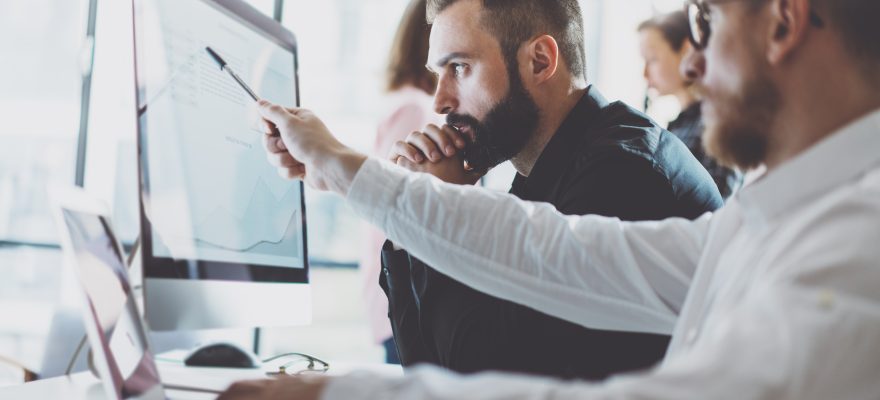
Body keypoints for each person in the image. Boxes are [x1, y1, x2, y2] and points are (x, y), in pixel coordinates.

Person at [219, 0, 880, 398]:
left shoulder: (855, 248)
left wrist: (339, 395)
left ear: (784, 22)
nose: (690, 66)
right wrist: (344, 169)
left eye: (705, 21)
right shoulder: (767, 218)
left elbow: (487, 365)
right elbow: (555, 252)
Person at [376, 0, 721, 380]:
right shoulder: (542, 173)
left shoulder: (622, 174)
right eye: (439, 73)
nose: (440, 101)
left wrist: (440, 210)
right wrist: (407, 226)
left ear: (540, 61)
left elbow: (487, 380)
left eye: (460, 67)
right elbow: (426, 372)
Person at [359, 0, 439, 365]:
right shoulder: (418, 110)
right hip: (410, 297)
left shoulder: (404, 103)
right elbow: (404, 207)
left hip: (395, 294)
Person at [638, 10, 743, 199]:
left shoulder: (714, 126)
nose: (645, 74)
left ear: (686, 49)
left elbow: (715, 207)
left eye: (652, 59)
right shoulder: (679, 126)